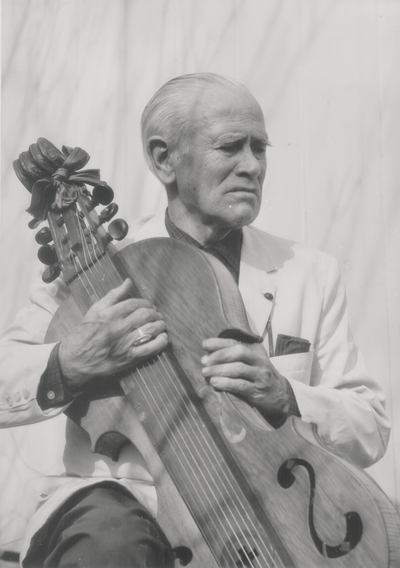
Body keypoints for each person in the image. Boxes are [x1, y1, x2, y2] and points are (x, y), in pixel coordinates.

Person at [0, 73, 390, 567]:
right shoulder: (93, 267)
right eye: (230, 147)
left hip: (272, 508)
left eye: (260, 148)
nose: (252, 166)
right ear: (164, 159)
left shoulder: (310, 272)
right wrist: (72, 359)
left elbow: (370, 426)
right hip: (127, 503)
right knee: (111, 543)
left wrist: (286, 393)